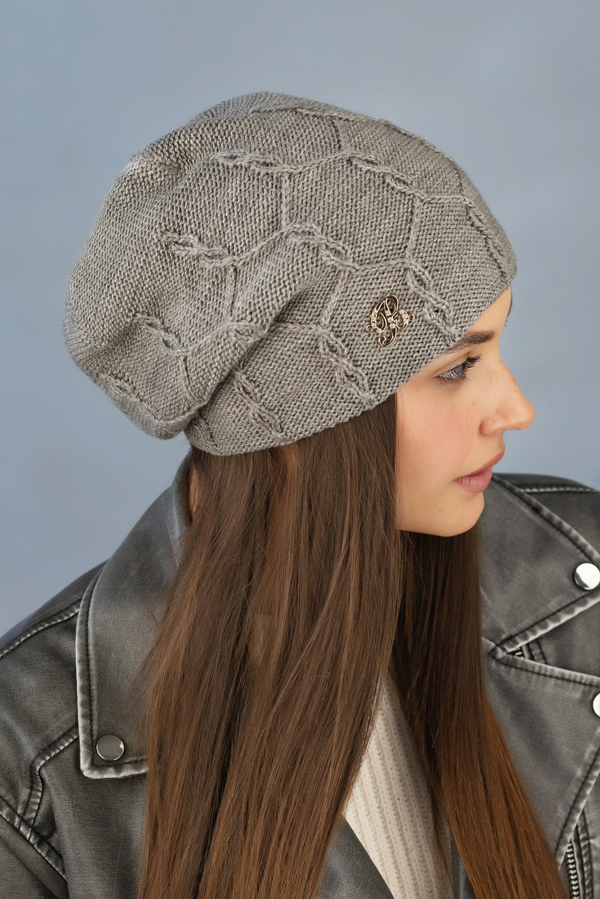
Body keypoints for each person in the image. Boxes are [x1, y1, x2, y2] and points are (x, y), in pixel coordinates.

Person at [0, 92, 598, 899]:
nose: (516, 409)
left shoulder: (582, 574)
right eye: (458, 367)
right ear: (295, 420)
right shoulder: (26, 761)